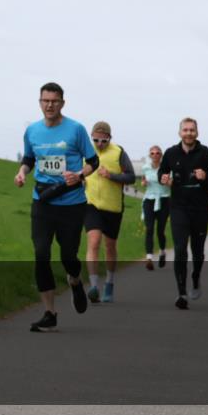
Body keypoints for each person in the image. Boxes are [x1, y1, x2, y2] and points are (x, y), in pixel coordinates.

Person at [14, 82, 97, 331]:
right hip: (43, 201)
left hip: (72, 203)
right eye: (45, 100)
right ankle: (50, 312)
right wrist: (22, 172)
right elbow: (29, 158)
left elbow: (93, 161)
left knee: (68, 256)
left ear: (62, 103)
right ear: (40, 102)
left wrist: (80, 175)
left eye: (54, 101)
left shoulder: (76, 129)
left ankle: (74, 280)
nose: (49, 105)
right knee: (41, 254)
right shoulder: (32, 131)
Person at [158, 117, 208, 310]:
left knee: (197, 251)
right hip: (178, 207)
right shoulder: (171, 153)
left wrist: (207, 176)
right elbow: (162, 172)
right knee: (179, 249)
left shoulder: (206, 154)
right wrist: (163, 178)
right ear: (180, 133)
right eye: (185, 130)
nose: (188, 133)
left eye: (192, 130)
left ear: (197, 132)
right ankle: (181, 293)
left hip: (200, 209)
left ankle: (195, 277)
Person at [83, 121, 136, 303]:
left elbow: (130, 177)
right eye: (96, 140)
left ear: (109, 139)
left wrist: (111, 176)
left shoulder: (118, 152)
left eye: (103, 141)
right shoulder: (86, 152)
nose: (99, 144)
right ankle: (93, 286)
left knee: (110, 246)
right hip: (91, 205)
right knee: (94, 241)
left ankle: (110, 283)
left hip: (113, 207)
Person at [140, 145, 171, 270]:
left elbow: (171, 183)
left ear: (161, 155)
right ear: (149, 155)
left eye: (157, 153)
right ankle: (149, 258)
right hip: (149, 199)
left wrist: (168, 181)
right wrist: (144, 183)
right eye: (152, 153)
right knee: (149, 228)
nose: (155, 155)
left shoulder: (167, 168)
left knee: (160, 230)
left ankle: (163, 252)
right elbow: (143, 181)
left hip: (164, 199)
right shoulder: (145, 168)